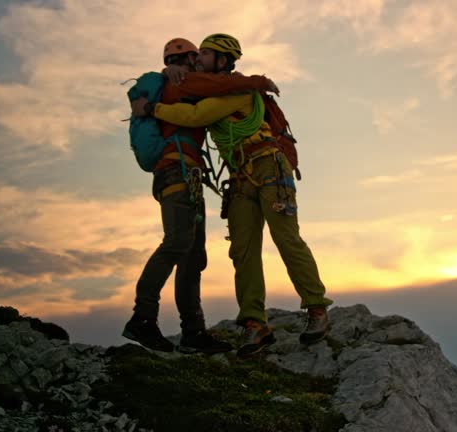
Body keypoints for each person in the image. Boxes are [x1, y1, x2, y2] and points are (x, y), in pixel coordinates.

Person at [132, 34, 333, 358]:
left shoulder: (238, 89)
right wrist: (168, 74)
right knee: (243, 250)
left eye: (206, 53)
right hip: (241, 176)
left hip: (268, 166)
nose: (199, 59)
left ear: (223, 59)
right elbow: (188, 92)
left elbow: (197, 117)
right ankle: (255, 325)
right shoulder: (206, 88)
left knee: (286, 239)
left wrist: (153, 108)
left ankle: (317, 309)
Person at [123, 38, 278, 354]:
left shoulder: (180, 83)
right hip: (176, 172)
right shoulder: (178, 84)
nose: (197, 64)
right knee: (178, 243)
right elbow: (217, 86)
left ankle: (193, 332)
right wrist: (257, 82)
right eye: (195, 58)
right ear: (183, 60)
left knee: (193, 256)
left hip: (187, 175)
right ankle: (142, 318)